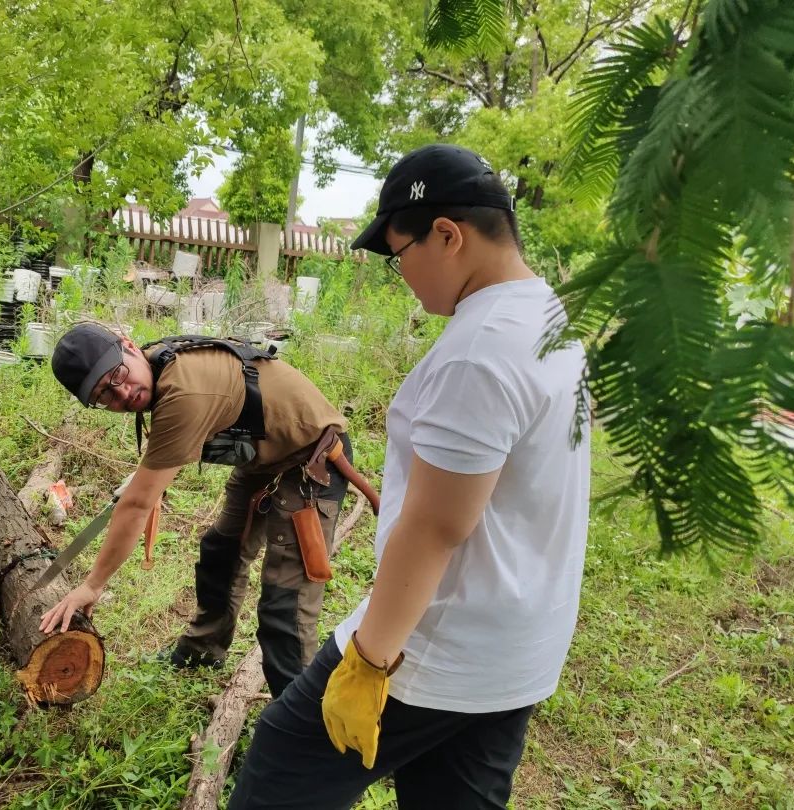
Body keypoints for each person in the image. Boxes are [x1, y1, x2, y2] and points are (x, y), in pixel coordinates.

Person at [227, 144, 591, 809]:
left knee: (281, 760)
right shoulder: (550, 318)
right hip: (517, 653)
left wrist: (370, 662)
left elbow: (437, 526)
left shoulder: (480, 351)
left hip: (437, 648)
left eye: (399, 256)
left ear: (447, 235)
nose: (401, 275)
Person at [39, 323, 370, 698]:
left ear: (130, 346)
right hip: (265, 459)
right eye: (105, 395)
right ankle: (203, 651)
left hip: (313, 460)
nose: (124, 393)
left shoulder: (185, 389)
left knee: (284, 599)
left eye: (118, 375)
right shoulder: (157, 366)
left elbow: (137, 504)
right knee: (220, 552)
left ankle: (296, 715)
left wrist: (92, 585)